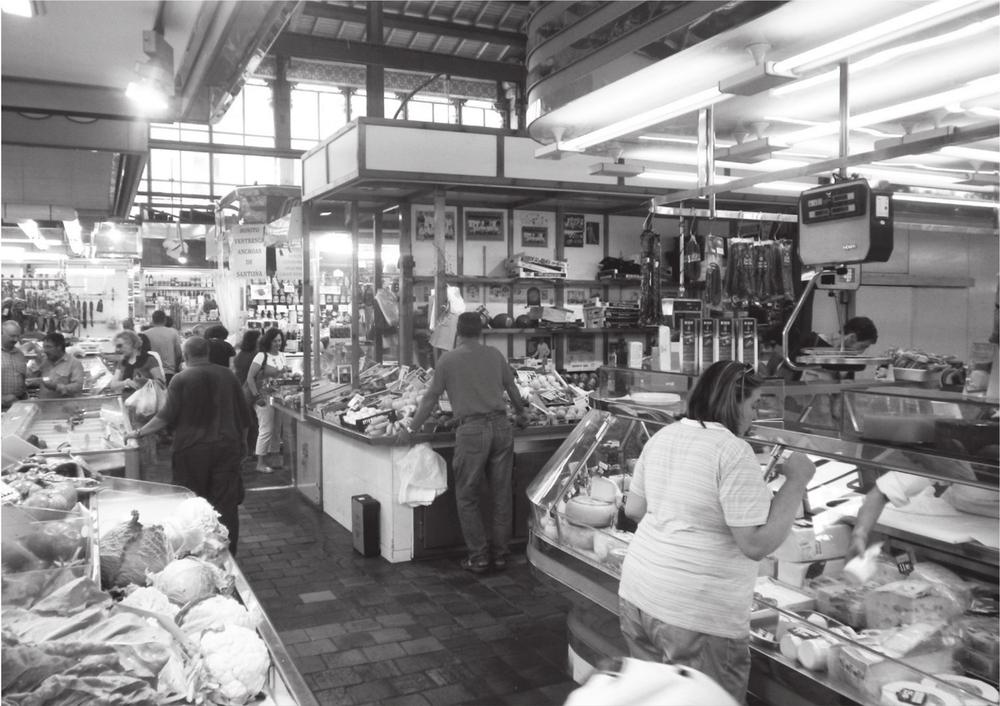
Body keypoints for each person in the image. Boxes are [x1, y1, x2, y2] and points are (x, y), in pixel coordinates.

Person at [618, 360, 816, 701]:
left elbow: (635, 509)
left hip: (638, 596)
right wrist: (796, 480)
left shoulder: (666, 433)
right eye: (753, 405)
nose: (755, 416)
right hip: (695, 615)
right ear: (731, 402)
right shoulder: (732, 450)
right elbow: (755, 544)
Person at [397, 312, 529, 573]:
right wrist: (522, 413)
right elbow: (512, 388)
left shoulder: (448, 360)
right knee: (502, 495)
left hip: (472, 432)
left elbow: (430, 398)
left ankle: (479, 556)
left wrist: (411, 427)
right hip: (502, 428)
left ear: (458, 333)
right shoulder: (494, 355)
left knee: (467, 495)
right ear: (480, 332)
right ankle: (501, 554)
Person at [124, 336, 250, 554]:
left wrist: (138, 432)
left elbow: (165, 416)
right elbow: (244, 414)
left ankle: (195, 551)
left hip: (192, 451)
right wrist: (244, 444)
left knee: (191, 503)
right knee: (226, 504)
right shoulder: (227, 375)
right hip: (227, 447)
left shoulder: (181, 379)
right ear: (207, 353)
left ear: (186, 355)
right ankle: (228, 552)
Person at [245, 328, 288, 474]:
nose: (277, 343)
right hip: (263, 396)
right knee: (266, 429)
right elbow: (250, 378)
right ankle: (260, 462)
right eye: (275, 340)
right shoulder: (261, 356)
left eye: (279, 340)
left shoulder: (282, 355)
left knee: (277, 429)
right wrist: (257, 396)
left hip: (278, 396)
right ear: (268, 341)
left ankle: (275, 457)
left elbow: (281, 377)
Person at [233, 329, 262, 461]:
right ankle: (252, 450)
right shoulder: (256, 356)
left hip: (240, 390)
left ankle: (246, 450)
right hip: (250, 390)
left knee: (246, 422)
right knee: (253, 422)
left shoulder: (241, 354)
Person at [109, 330, 165, 398]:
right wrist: (125, 383)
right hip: (127, 403)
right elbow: (113, 385)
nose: (117, 350)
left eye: (120, 346)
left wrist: (145, 382)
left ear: (131, 343)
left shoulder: (149, 359)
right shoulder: (122, 362)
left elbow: (161, 383)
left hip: (146, 403)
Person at [28, 332, 85, 399]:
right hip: (44, 405)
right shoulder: (43, 361)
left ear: (59, 347)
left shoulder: (74, 363)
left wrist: (56, 387)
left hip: (65, 406)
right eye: (44, 347)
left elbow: (77, 387)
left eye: (48, 347)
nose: (45, 351)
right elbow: (29, 379)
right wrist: (36, 363)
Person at [143, 310, 183, 383]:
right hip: (169, 372)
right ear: (165, 320)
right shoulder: (173, 332)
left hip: (150, 373)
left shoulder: (145, 334)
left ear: (152, 320)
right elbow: (179, 354)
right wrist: (175, 368)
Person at [2, 320, 28, 410]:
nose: (16, 340)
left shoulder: (19, 354)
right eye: (12, 336)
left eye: (18, 336)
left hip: (18, 405)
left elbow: (23, 378)